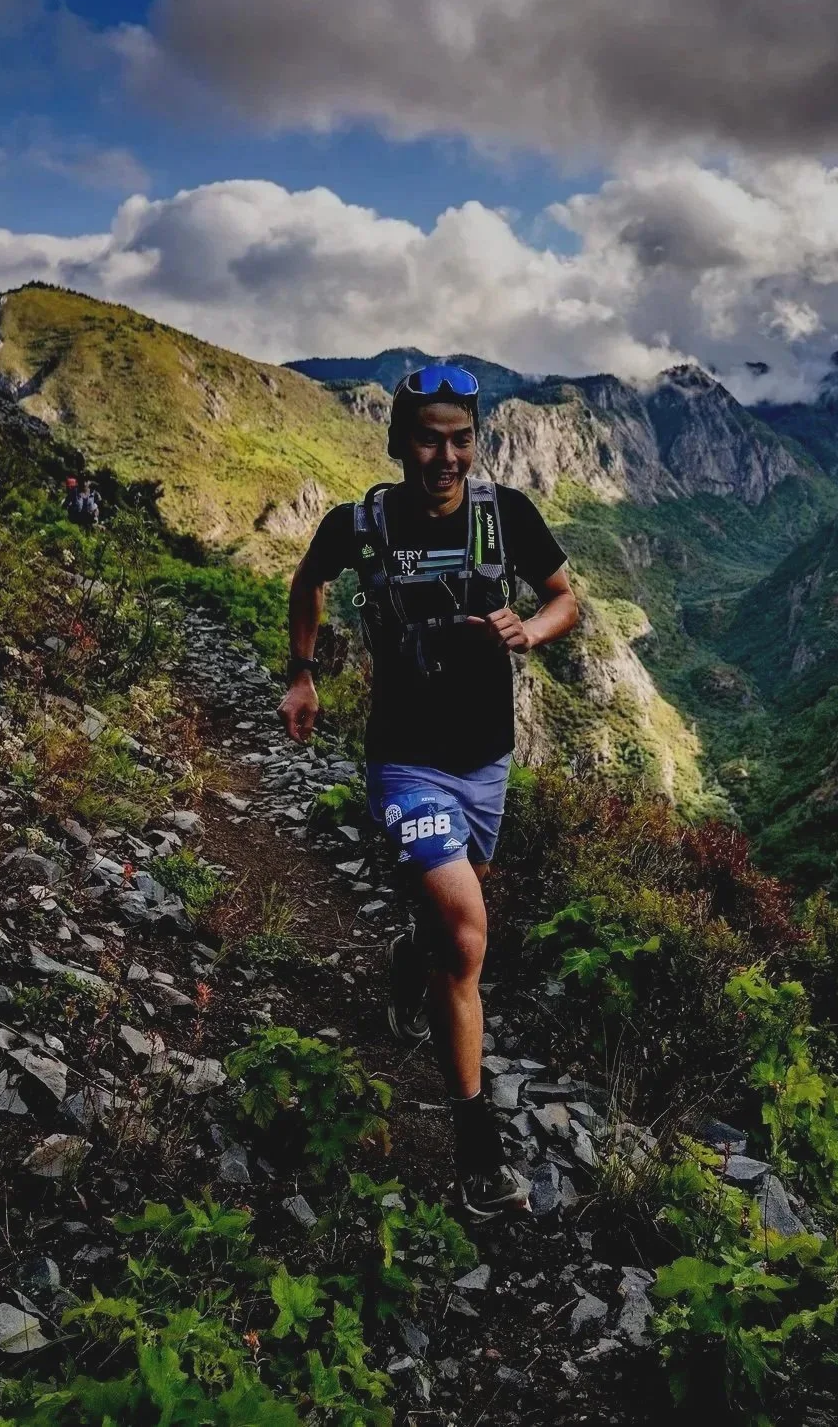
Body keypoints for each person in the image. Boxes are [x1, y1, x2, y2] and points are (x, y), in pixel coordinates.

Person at [279, 364, 579, 1216]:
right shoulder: (363, 524)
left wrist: (533, 628)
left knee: (447, 923)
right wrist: (302, 676)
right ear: (400, 441)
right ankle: (477, 1150)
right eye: (428, 437)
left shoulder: (506, 515)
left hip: (486, 763)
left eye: (461, 438)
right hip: (404, 763)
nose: (445, 456)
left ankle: (410, 960)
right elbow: (309, 583)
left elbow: (565, 600)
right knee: (466, 928)